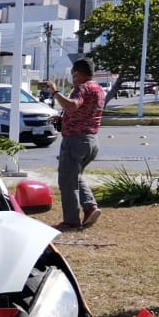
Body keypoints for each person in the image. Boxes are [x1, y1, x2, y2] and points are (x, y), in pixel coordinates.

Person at [43, 58, 103, 230]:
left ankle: (71, 221)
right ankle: (90, 207)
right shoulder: (98, 89)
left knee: (67, 181)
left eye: (73, 75)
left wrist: (55, 92)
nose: (73, 78)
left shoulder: (82, 88)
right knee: (75, 176)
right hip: (91, 140)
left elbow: (73, 106)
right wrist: (62, 118)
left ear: (78, 73)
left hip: (75, 140)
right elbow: (85, 112)